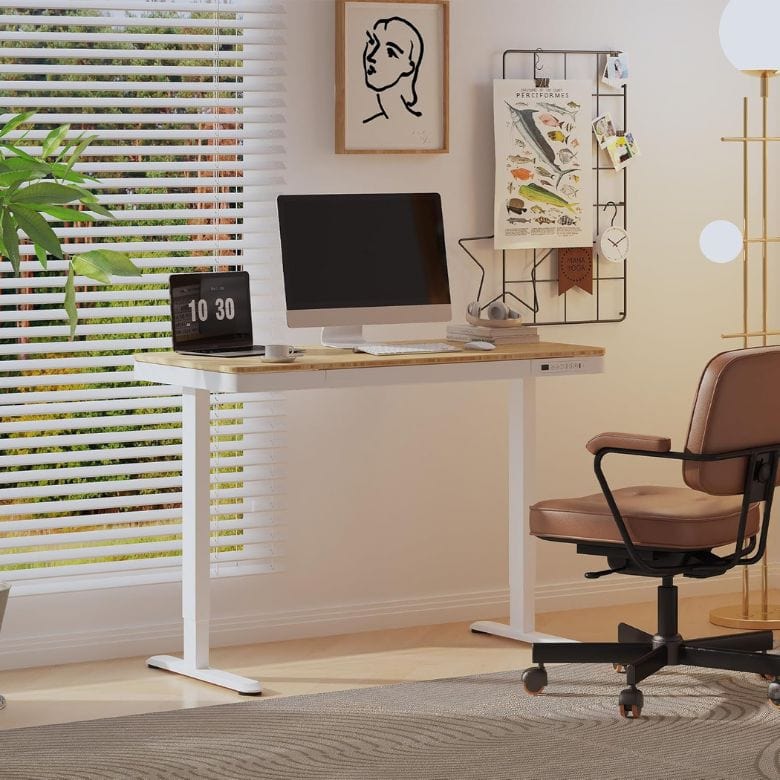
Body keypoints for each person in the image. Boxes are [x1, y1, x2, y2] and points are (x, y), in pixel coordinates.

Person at [362, 16, 424, 124]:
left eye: (390, 52)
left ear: (408, 67)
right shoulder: (370, 125)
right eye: (372, 42)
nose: (372, 56)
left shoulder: (413, 125)